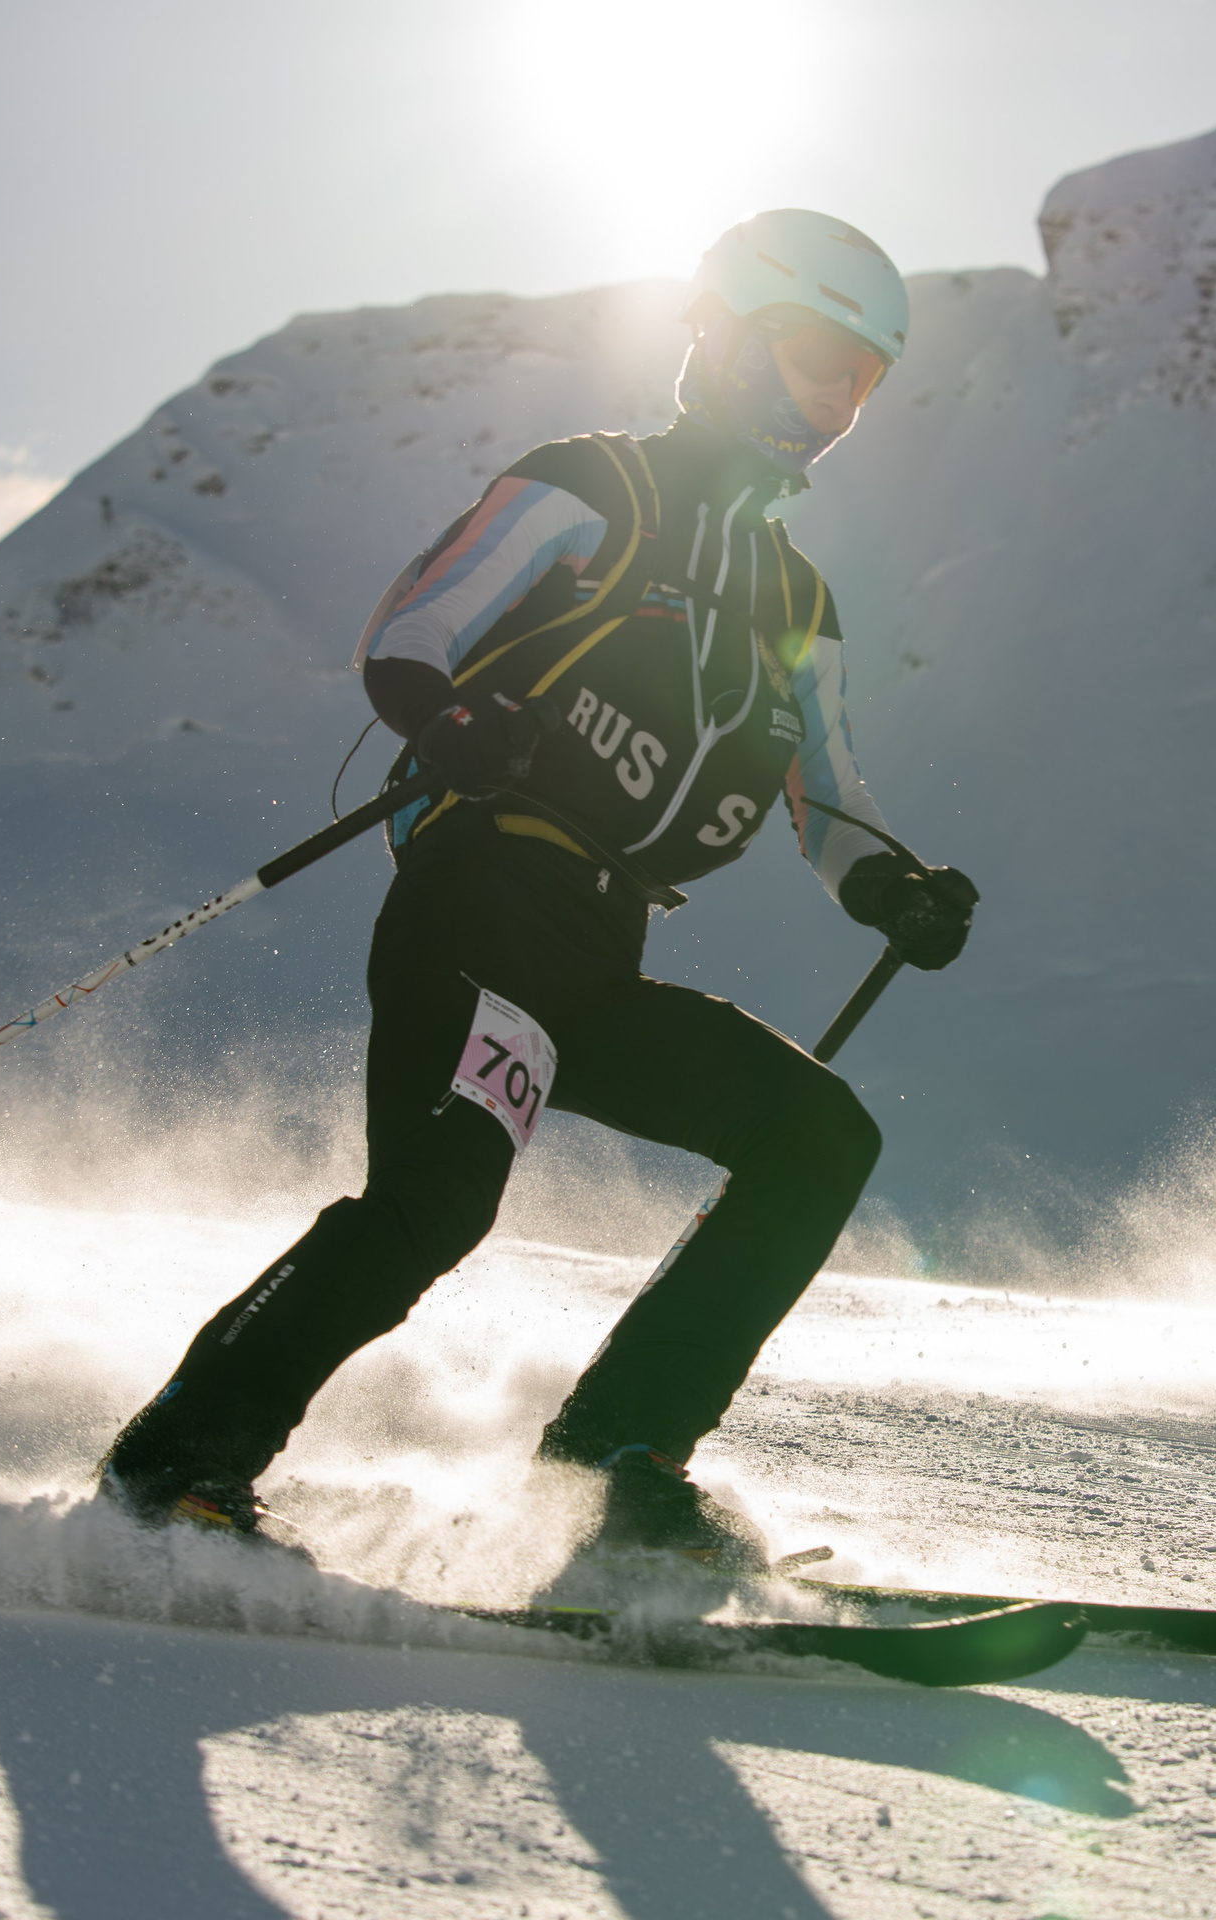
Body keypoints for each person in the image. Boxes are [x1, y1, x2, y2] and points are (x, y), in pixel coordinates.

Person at [98, 209, 977, 1567]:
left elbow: (831, 804)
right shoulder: (594, 486)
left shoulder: (799, 601)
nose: (834, 401)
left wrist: (896, 894)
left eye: (861, 381)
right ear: (732, 339)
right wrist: (450, 719)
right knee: (437, 1201)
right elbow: (412, 632)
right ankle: (175, 1468)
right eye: (817, 361)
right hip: (482, 900)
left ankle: (615, 1462)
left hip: (598, 955)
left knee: (817, 1137)